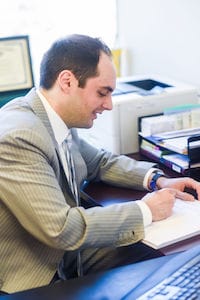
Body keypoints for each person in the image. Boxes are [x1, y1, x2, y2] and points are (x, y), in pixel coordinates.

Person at [0, 34, 200, 295]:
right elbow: (63, 229)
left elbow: (99, 162)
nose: (108, 105)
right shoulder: (19, 136)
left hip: (68, 255)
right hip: (35, 270)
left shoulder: (53, 117)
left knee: (170, 262)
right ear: (67, 81)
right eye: (102, 93)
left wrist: (157, 179)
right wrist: (146, 210)